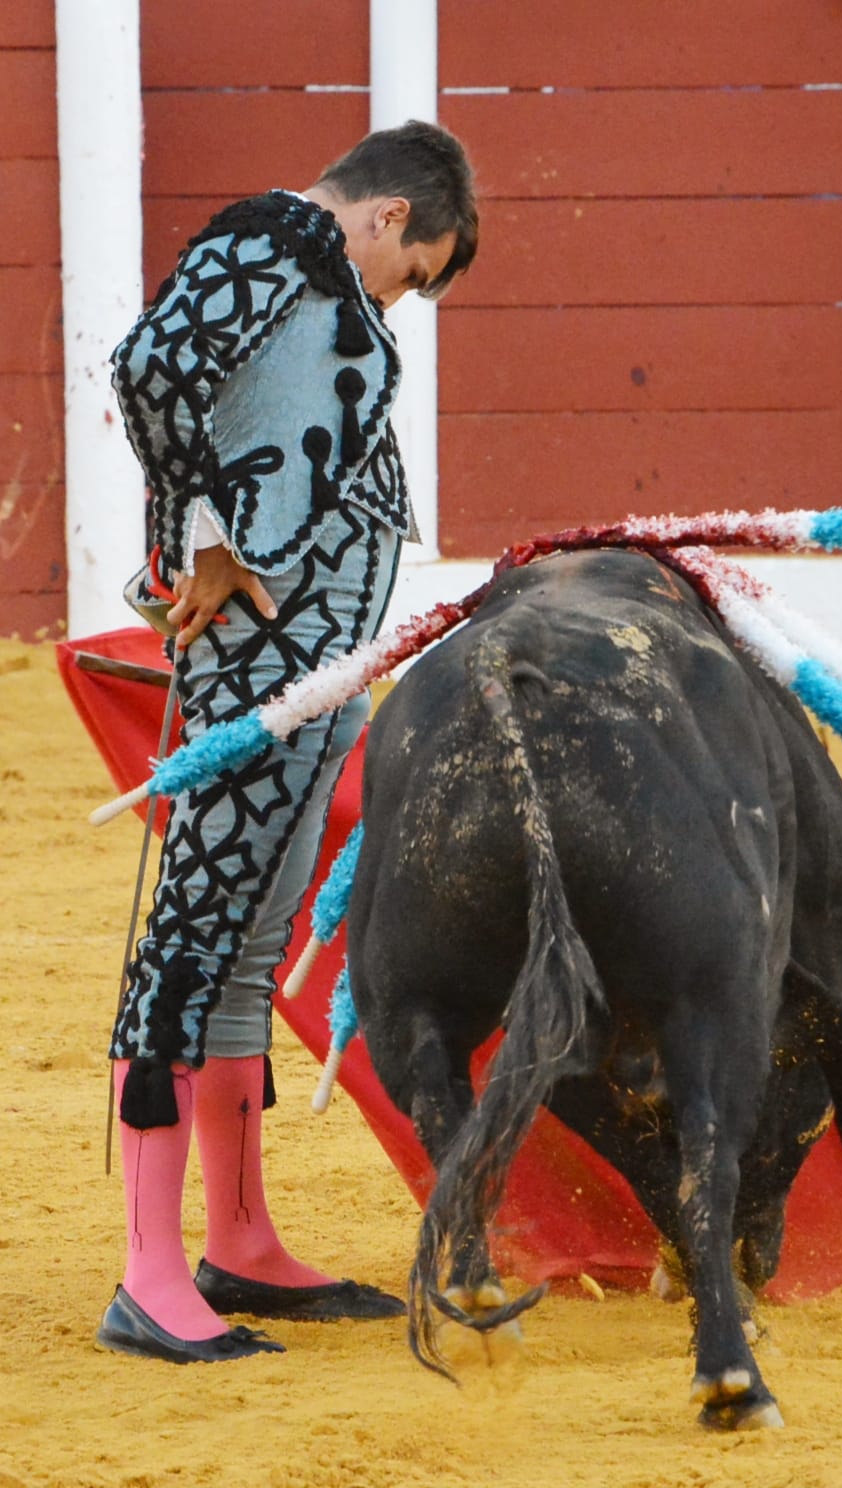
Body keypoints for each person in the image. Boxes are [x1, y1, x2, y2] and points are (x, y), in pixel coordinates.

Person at [96, 120, 479, 1363]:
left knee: (249, 944)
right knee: (194, 937)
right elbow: (150, 368)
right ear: (386, 220)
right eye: (412, 271)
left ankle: (239, 1240)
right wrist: (200, 531)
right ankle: (149, 1274)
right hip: (261, 667)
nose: (402, 295)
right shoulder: (277, 241)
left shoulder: (304, 263)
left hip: (315, 672)